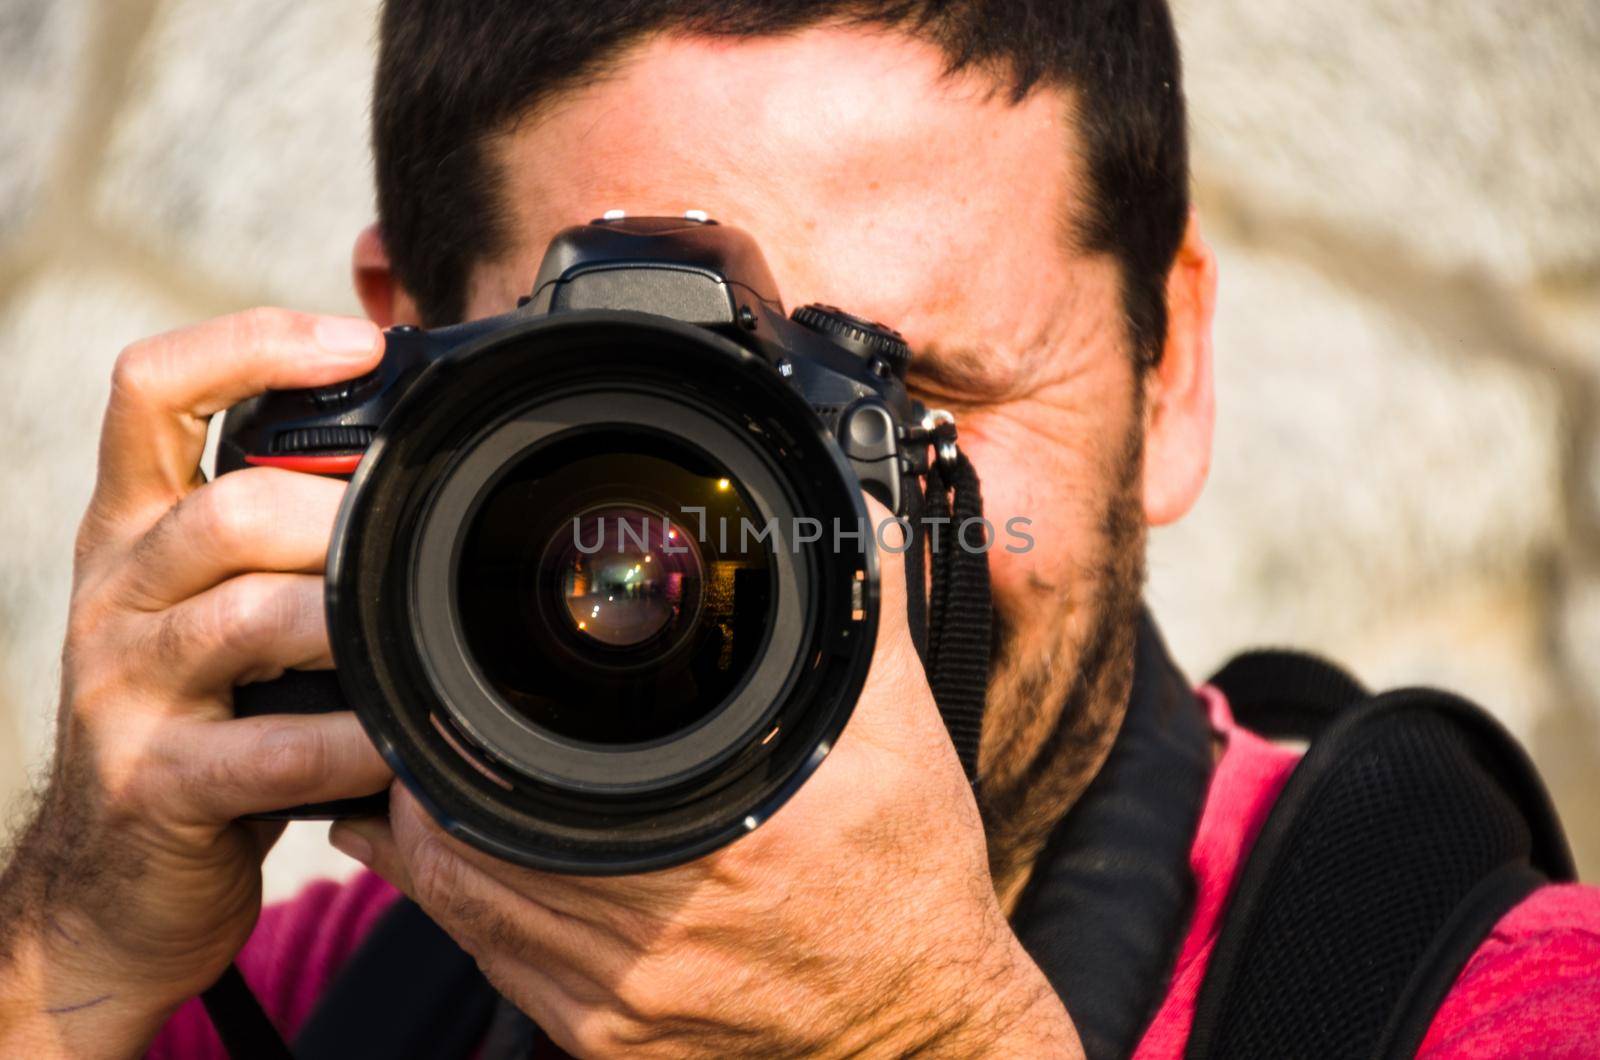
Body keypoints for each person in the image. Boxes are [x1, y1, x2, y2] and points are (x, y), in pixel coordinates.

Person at [1, 2, 1596, 1057]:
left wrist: (933, 1037)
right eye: (658, 410)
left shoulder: (1491, 999)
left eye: (909, 401)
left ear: (1167, 376)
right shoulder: (295, 998)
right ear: (394, 362)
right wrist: (68, 958)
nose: (817, 536)